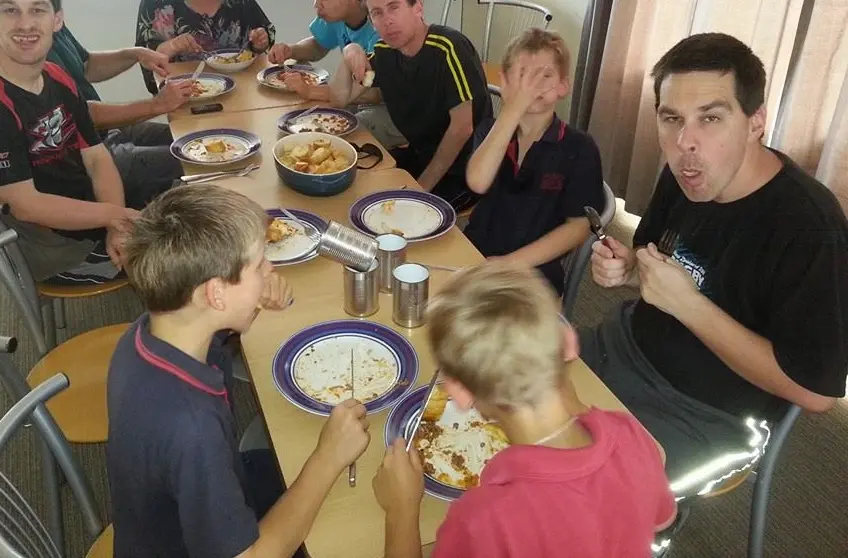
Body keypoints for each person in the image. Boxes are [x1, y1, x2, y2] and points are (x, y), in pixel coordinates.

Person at [581, 33, 848, 491]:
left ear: (755, 122)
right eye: (672, 119)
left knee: (588, 501)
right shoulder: (684, 175)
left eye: (711, 118)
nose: (685, 142)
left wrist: (690, 307)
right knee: (499, 390)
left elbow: (815, 392)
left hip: (708, 416)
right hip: (621, 347)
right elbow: (658, 265)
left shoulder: (812, 229)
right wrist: (630, 271)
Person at [108, 184, 371, 558]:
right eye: (260, 263)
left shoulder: (149, 333)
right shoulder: (192, 428)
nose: (271, 268)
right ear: (215, 293)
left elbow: (214, 324)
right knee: (354, 526)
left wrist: (247, 300)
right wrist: (327, 458)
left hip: (184, 514)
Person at [371, 262, 677, 558]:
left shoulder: (484, 519)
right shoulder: (631, 434)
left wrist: (402, 511)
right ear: (569, 343)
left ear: (459, 393)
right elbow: (658, 519)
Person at [0, 0, 144, 285]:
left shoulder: (57, 76)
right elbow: (26, 205)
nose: (25, 24)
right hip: (58, 250)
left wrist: (116, 225)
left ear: (57, 21)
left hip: (91, 214)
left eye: (37, 9)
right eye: (10, 10)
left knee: (190, 200)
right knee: (179, 259)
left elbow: (96, 157)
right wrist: (114, 216)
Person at [464, 29, 604, 295]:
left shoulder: (580, 148)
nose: (533, 86)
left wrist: (510, 264)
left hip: (535, 271)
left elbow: (577, 227)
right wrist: (514, 108)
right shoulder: (490, 131)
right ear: (504, 82)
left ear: (563, 86)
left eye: (545, 75)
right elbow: (478, 182)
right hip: (475, 253)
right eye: (523, 75)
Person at [329, 0, 492, 212]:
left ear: (418, 8)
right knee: (357, 185)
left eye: (394, 7)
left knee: (401, 215)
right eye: (377, 13)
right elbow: (341, 99)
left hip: (465, 170)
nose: (387, 20)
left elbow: (462, 128)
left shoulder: (448, 47)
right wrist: (350, 52)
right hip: (421, 155)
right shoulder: (385, 52)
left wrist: (422, 188)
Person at [49, 19, 191, 207]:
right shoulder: (26, 50)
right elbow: (81, 115)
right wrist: (157, 104)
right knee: (192, 159)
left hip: (105, 131)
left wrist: (135, 54)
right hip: (82, 154)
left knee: (190, 138)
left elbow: (87, 65)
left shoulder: (53, 23)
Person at [267, 0, 405, 148]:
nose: (316, 4)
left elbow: (375, 93)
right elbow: (318, 45)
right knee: (313, 119)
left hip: (392, 110)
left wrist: (310, 91)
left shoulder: (381, 28)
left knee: (343, 135)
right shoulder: (338, 16)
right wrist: (292, 50)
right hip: (358, 98)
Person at [136, 0, 275, 95]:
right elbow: (146, 59)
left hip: (242, 93)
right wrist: (173, 46)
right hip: (187, 97)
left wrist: (260, 43)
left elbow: (263, 40)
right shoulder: (155, 4)